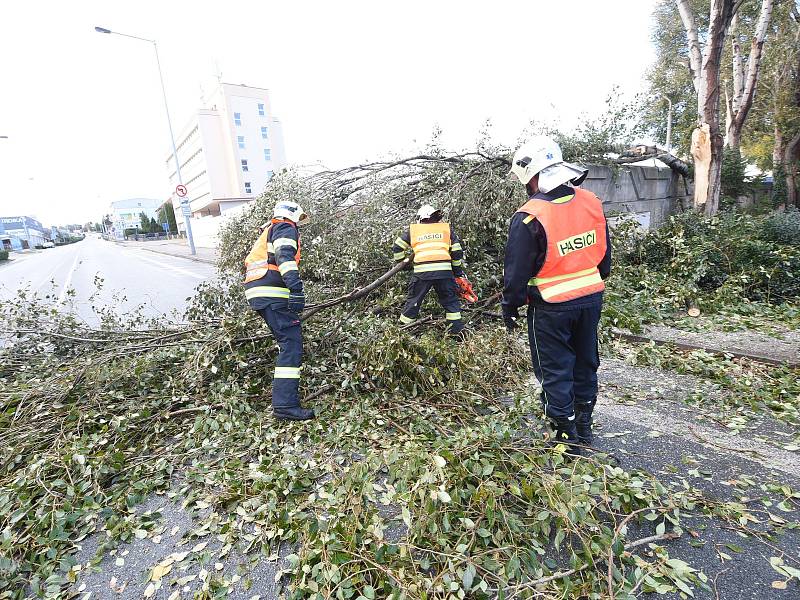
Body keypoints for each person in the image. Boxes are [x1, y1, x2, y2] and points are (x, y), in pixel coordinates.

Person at [502, 136, 611, 453]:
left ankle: (566, 440)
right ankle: (583, 428)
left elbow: (517, 273)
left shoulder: (529, 217)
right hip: (591, 300)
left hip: (550, 307)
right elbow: (604, 261)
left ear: (533, 176)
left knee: (555, 371)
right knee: (585, 364)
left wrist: (510, 306)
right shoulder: (591, 202)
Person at [243, 200, 314, 421]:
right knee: (291, 345)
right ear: (293, 215)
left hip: (259, 291)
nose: (298, 225)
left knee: (287, 343)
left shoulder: (268, 230)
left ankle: (284, 403)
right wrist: (296, 289)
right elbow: (285, 257)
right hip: (272, 292)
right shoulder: (284, 227)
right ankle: (285, 406)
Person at [392, 205, 467, 334]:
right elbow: (457, 251)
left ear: (420, 218)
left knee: (413, 302)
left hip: (422, 273)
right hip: (445, 272)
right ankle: (456, 335)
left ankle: (402, 334)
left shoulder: (414, 230)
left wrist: (404, 264)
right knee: (451, 303)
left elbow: (397, 246)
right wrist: (457, 272)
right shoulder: (446, 229)